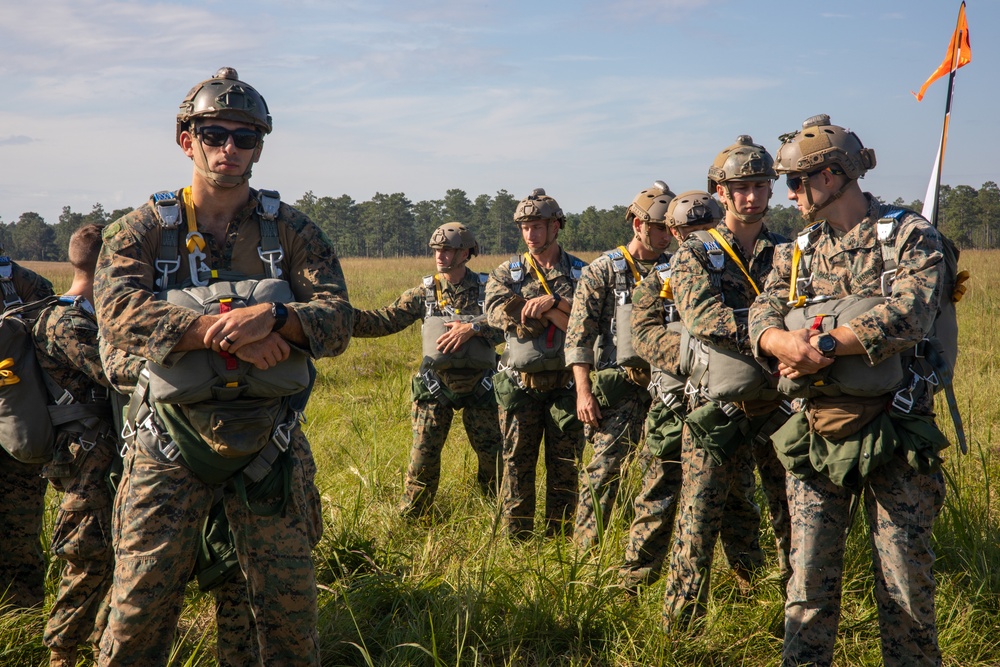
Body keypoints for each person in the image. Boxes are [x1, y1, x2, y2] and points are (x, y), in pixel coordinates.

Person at [93, 67, 352, 666]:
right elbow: (116, 313)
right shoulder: (139, 230)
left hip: (269, 442)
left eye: (245, 137)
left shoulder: (290, 229)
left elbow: (337, 320)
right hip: (166, 443)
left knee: (282, 622)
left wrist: (277, 321)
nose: (229, 149)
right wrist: (222, 333)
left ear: (260, 146)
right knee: (137, 614)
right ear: (187, 140)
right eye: (214, 134)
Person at [751, 114, 947, 667]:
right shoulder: (798, 250)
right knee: (808, 584)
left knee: (905, 585)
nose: (787, 194)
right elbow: (763, 309)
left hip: (896, 429)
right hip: (817, 432)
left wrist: (831, 344)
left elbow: (913, 311)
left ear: (834, 175)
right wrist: (775, 340)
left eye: (796, 182)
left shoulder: (908, 234)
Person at [661, 136, 791, 628]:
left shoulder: (787, 251)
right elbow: (702, 317)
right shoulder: (697, 251)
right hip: (717, 406)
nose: (751, 197)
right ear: (720, 191)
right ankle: (680, 629)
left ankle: (792, 620)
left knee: (791, 517)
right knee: (697, 520)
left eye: (760, 186)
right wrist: (775, 338)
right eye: (740, 188)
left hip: (780, 406)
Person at [352, 222, 504, 518]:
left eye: (447, 249)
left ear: (466, 253)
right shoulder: (425, 292)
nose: (440, 255)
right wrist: (342, 319)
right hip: (436, 386)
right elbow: (386, 320)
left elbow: (510, 325)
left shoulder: (490, 289)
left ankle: (493, 514)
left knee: (494, 459)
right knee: (423, 458)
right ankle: (413, 518)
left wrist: (473, 329)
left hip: (482, 386)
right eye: (436, 250)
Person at [565, 181, 675, 551]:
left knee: (661, 475)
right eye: (658, 227)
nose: (665, 235)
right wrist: (583, 392)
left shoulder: (679, 269)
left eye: (669, 227)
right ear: (637, 225)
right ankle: (585, 554)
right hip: (619, 390)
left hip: (667, 388)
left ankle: (644, 556)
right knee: (602, 473)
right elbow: (579, 337)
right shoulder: (603, 271)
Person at [620, 190, 722, 590]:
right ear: (675, 234)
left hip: (725, 407)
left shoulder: (736, 275)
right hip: (671, 401)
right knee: (657, 492)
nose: (697, 238)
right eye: (688, 231)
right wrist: (697, 356)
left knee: (736, 502)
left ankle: (748, 581)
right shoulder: (657, 281)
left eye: (706, 230)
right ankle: (635, 581)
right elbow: (641, 336)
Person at [31, 224, 118, 667]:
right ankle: (62, 652)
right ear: (104, 266)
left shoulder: (90, 314)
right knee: (87, 558)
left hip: (103, 457)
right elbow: (116, 373)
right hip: (85, 461)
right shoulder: (66, 321)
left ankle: (104, 641)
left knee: (117, 555)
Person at [485, 188, 586, 538]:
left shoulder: (580, 272)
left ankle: (559, 540)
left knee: (565, 467)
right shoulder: (507, 273)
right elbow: (497, 313)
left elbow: (590, 320)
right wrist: (544, 312)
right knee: (515, 465)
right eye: (525, 228)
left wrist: (552, 301)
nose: (531, 235)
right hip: (520, 385)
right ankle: (517, 541)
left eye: (538, 227)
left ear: (556, 226)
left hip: (566, 386)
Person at [0, 247, 55, 609]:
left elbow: (54, 356)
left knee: (18, 540)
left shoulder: (25, 285)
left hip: (19, 430)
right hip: (20, 425)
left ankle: (22, 621)